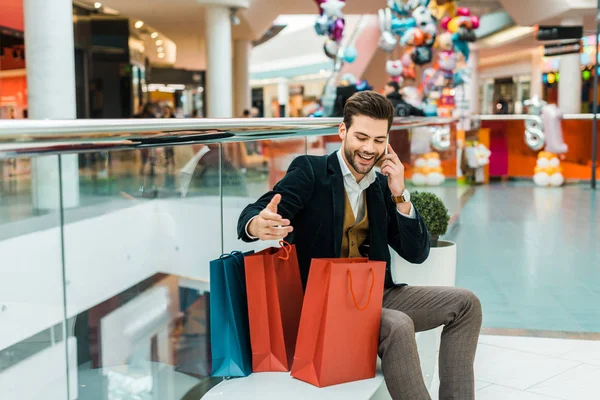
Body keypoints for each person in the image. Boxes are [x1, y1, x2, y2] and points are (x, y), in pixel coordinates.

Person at [237, 91, 481, 400]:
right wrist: (257, 224)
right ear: (343, 131)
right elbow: (253, 213)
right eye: (361, 137)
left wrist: (400, 194)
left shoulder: (381, 186)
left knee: (466, 304)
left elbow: (417, 253)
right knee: (397, 325)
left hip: (377, 295)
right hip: (323, 306)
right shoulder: (312, 173)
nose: (369, 149)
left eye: (379, 141)